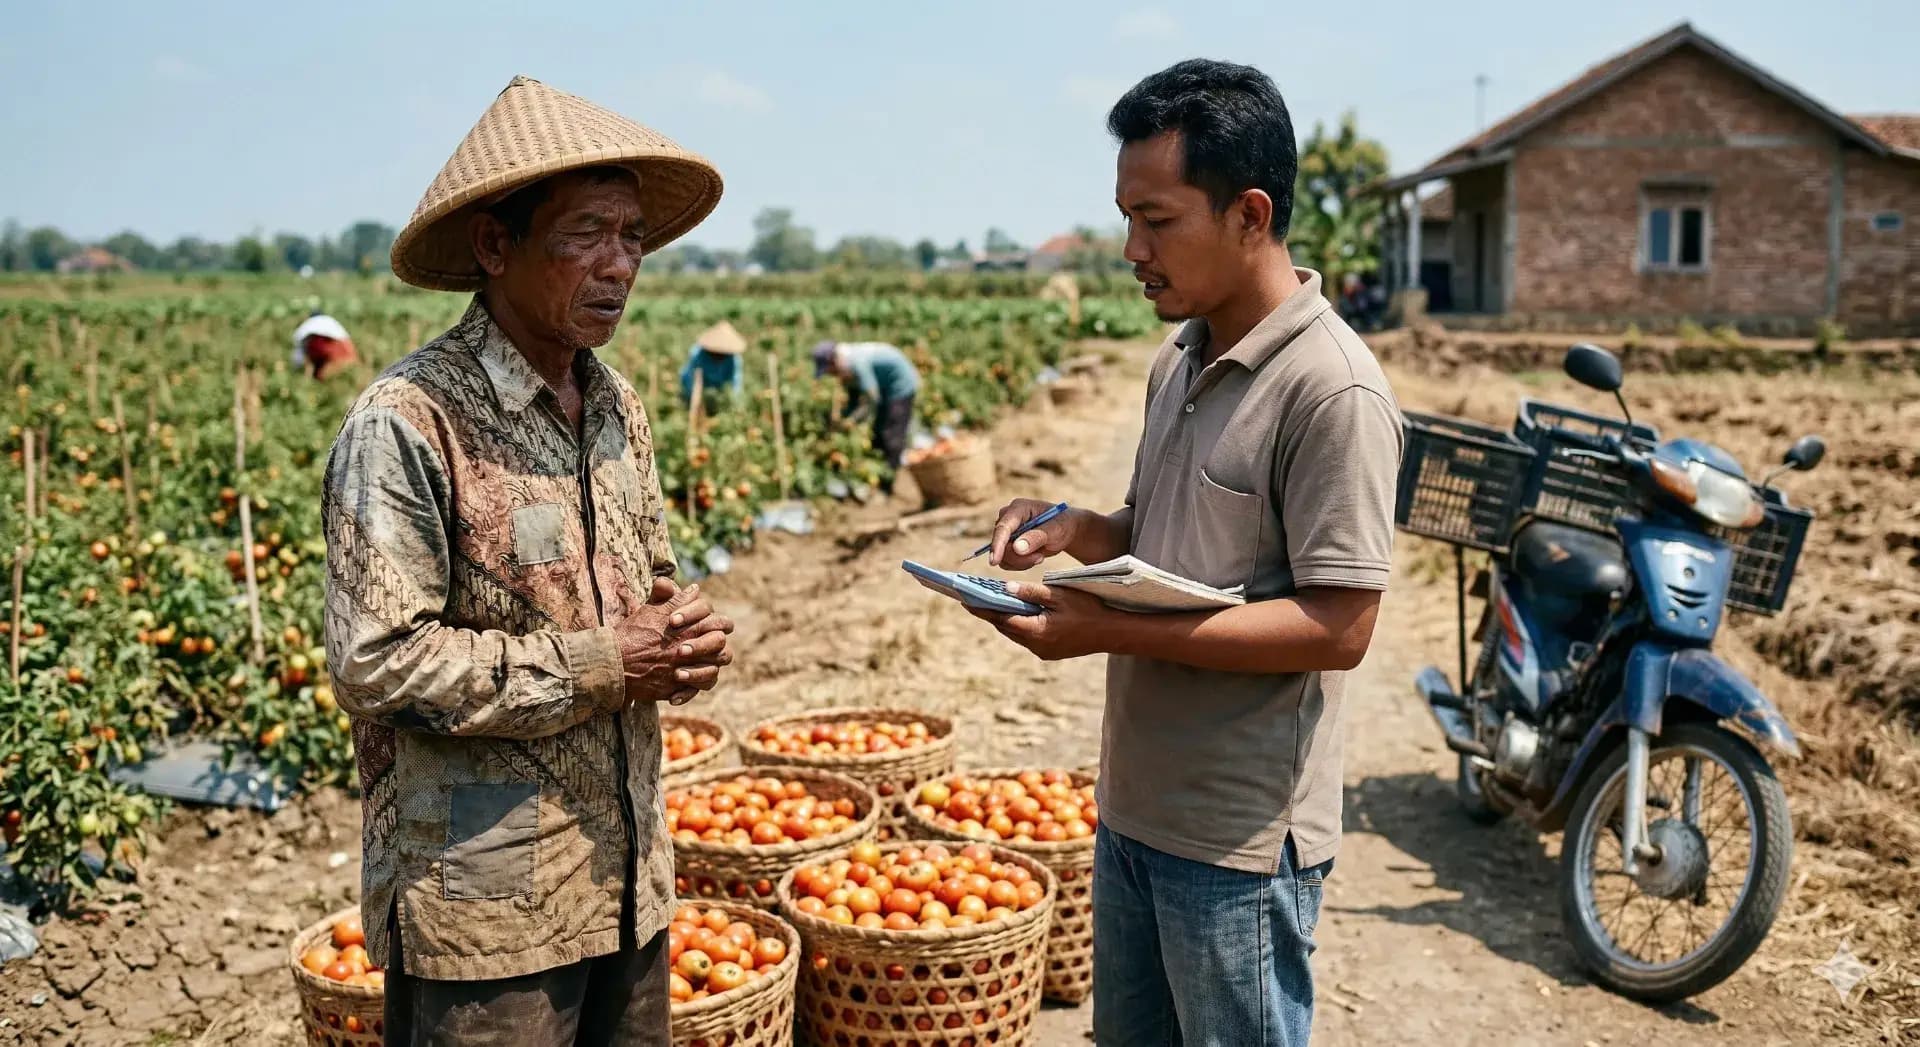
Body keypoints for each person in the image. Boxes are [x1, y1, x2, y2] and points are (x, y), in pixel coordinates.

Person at [970, 60, 1402, 1047]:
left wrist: (1106, 630)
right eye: (1127, 218)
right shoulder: (1182, 357)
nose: (1132, 249)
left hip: (1239, 844)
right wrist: (1080, 528)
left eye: (1157, 221)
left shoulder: (1332, 391)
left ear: (1249, 215)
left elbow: (1341, 626)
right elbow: (1158, 536)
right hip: (1134, 812)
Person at [321, 75, 733, 1047]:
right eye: (588, 231)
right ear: (496, 245)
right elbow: (378, 662)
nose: (619, 264)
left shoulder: (618, 405)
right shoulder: (411, 422)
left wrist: (680, 630)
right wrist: (607, 664)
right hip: (489, 906)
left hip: (628, 877)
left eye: (632, 235)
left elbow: (648, 581)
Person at [811, 339, 920, 493]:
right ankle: (879, 481)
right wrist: (841, 418)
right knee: (877, 433)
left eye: (829, 370)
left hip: (900, 385)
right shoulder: (845, 367)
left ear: (834, 361)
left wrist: (852, 421)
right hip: (884, 387)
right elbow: (854, 399)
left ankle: (887, 486)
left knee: (891, 435)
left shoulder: (857, 363)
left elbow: (871, 399)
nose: (831, 375)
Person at [678, 320, 747, 405]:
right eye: (716, 353)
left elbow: (736, 383)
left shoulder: (734, 359)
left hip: (718, 386)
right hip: (699, 383)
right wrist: (695, 401)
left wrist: (734, 402)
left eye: (723, 354)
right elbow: (691, 379)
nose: (719, 356)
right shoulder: (698, 354)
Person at [291, 310, 358, 379]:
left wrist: (297, 368)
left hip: (331, 353)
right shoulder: (331, 321)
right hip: (344, 352)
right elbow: (347, 342)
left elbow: (298, 342)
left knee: (321, 375)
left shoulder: (308, 324)